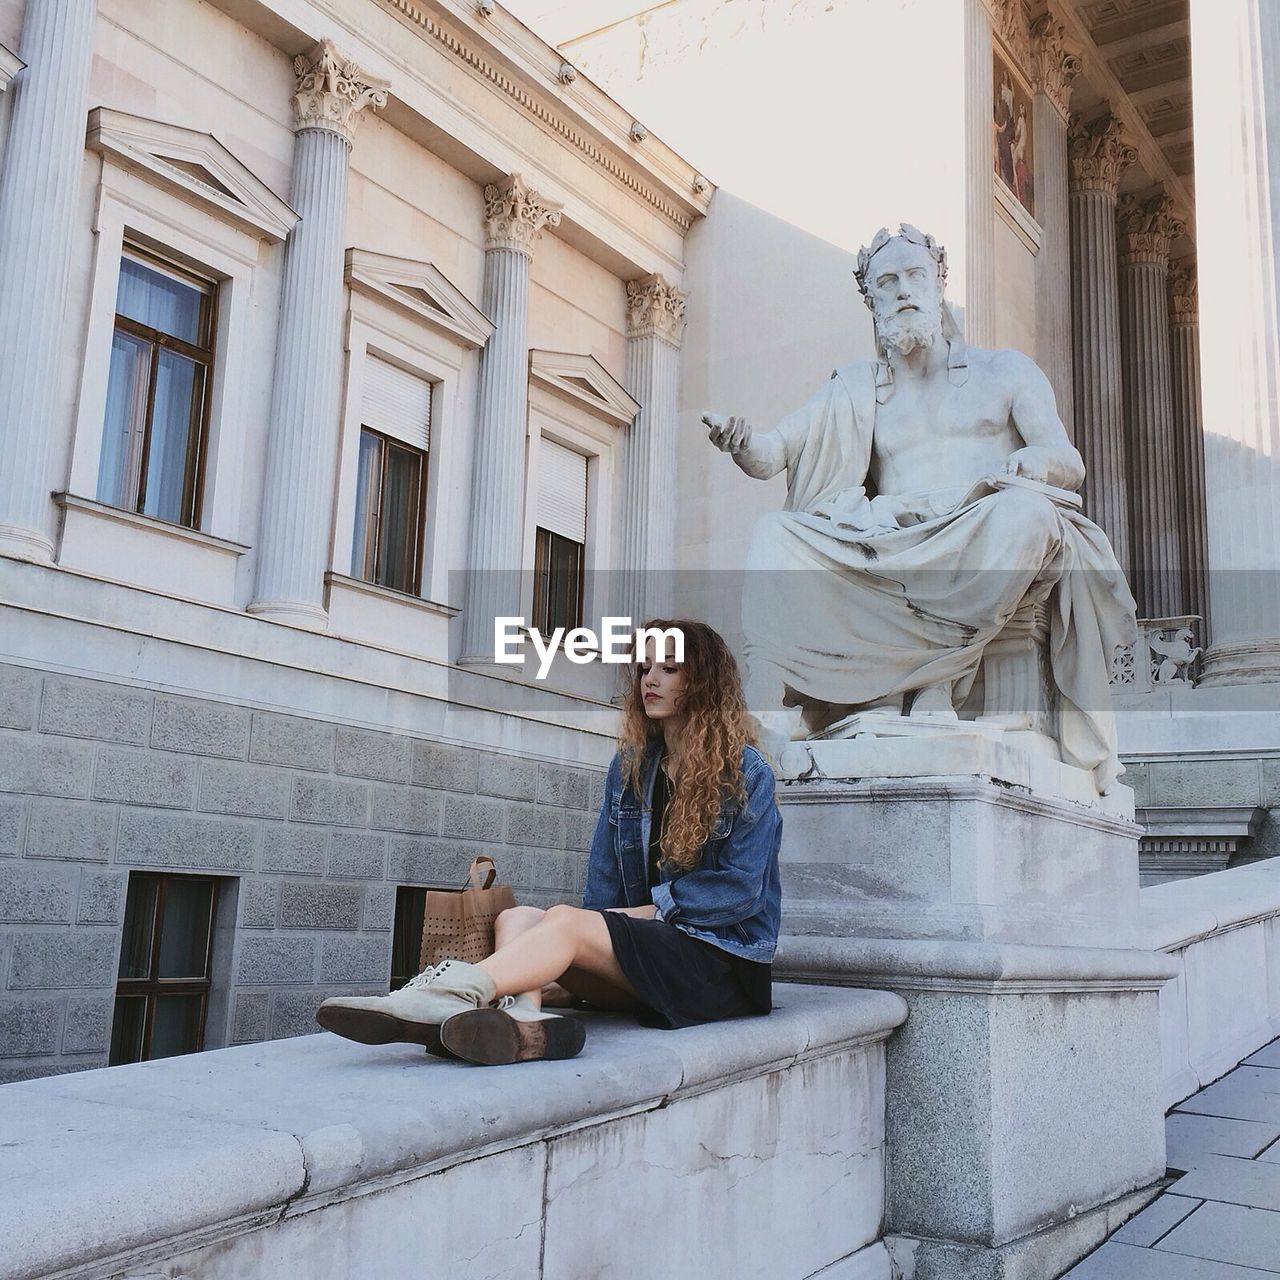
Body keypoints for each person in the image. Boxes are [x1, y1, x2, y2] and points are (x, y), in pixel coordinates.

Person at [702, 224, 1136, 793]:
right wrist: (741, 441)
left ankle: (932, 683)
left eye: (915, 276)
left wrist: (1036, 465)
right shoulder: (856, 388)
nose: (904, 290)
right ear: (871, 300)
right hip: (887, 537)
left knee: (1029, 518)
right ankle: (766, 700)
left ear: (939, 283)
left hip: (977, 520)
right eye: (888, 281)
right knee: (773, 533)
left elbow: (1068, 461)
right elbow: (772, 452)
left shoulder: (1005, 371)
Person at [316, 619, 782, 1065]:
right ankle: (525, 1021)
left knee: (565, 923)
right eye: (643, 667)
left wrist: (633, 915)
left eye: (669, 668)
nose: (650, 679)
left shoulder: (745, 773)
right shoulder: (630, 769)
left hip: (720, 967)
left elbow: (740, 892)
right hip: (652, 962)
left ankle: (443, 997)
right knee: (519, 916)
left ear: (702, 682)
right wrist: (593, 932)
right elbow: (603, 883)